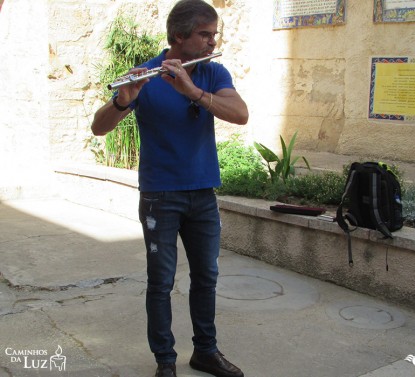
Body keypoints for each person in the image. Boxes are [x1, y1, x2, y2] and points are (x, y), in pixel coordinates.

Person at [91, 1, 248, 376]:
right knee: (160, 282)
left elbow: (240, 114)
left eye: (215, 35)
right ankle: (165, 361)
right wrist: (122, 99)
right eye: (204, 34)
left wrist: (191, 90)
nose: (212, 42)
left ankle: (205, 352)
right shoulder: (145, 74)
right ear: (179, 36)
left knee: (206, 277)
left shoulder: (211, 72)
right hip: (160, 196)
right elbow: (99, 128)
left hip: (203, 193)